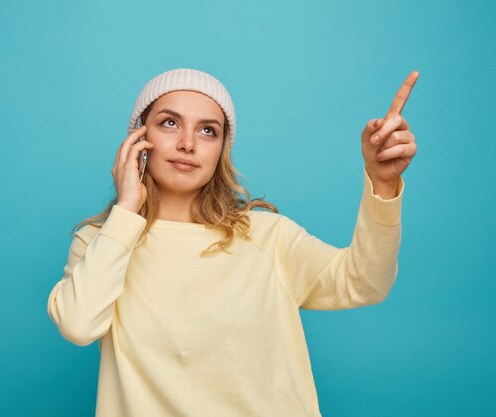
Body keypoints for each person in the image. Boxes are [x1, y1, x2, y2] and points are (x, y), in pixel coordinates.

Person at [47, 67, 418, 416]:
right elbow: (78, 326)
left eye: (208, 130)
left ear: (221, 149)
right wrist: (127, 210)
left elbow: (364, 283)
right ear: (138, 139)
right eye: (169, 123)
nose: (188, 143)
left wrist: (382, 184)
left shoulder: (266, 236)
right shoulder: (103, 241)